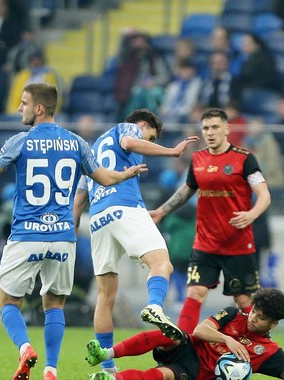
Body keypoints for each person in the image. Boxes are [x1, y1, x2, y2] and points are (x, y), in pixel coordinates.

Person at [0, 83, 147, 380]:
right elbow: (105, 179)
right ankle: (51, 369)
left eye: (24, 102)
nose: (19, 108)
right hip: (64, 238)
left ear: (39, 108)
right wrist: (125, 173)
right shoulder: (77, 143)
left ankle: (25, 347)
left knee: (8, 301)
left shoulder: (21, 141)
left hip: (27, 234)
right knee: (54, 304)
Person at [73, 109, 199, 374]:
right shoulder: (125, 128)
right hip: (125, 206)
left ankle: (107, 367)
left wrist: (73, 226)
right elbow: (129, 142)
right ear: (142, 125)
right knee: (162, 264)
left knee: (105, 295)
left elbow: (81, 193)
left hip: (97, 217)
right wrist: (171, 151)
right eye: (150, 136)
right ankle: (154, 306)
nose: (149, 142)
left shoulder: (94, 149)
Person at [150, 108, 271, 334]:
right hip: (205, 242)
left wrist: (251, 214)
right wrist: (162, 211)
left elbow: (264, 195)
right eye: (206, 128)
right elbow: (187, 190)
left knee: (244, 300)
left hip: (237, 243)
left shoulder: (245, 159)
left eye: (215, 127)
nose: (210, 132)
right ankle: (183, 348)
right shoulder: (198, 159)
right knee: (195, 293)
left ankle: (255, 348)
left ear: (227, 129)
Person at [85, 287, 284, 380]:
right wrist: (227, 339)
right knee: (171, 335)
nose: (254, 317)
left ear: (273, 324)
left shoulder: (270, 353)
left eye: (262, 318)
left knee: (163, 375)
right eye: (255, 311)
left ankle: (112, 378)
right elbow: (200, 330)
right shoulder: (234, 314)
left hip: (195, 371)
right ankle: (106, 354)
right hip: (191, 345)